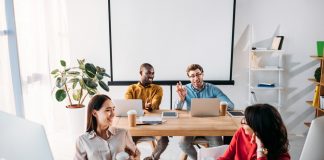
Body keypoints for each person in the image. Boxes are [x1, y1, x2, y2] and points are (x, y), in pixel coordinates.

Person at [175, 64, 234, 160]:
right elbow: (177, 109)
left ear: (203, 74)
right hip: (192, 126)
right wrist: (181, 99)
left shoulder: (212, 88)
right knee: (182, 143)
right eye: (192, 76)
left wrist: (214, 106)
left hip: (210, 126)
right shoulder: (185, 89)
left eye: (198, 74)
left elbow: (231, 105)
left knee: (218, 147)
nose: (196, 78)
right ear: (189, 78)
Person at [74, 94, 140, 160]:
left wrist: (131, 158)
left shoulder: (123, 133)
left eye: (113, 109)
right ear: (94, 113)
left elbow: (136, 155)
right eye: (108, 110)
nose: (113, 114)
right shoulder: (82, 141)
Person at [125, 63, 169, 160]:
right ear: (141, 73)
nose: (151, 76)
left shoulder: (158, 89)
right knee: (128, 141)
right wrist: (143, 108)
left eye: (153, 73)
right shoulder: (131, 89)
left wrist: (149, 107)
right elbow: (130, 107)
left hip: (154, 123)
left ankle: (152, 158)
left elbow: (155, 104)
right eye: (148, 73)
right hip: (137, 125)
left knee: (164, 140)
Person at [219, 104, 290, 160]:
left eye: (245, 122)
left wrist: (260, 147)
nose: (242, 123)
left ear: (257, 127)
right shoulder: (241, 133)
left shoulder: (282, 154)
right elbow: (226, 158)